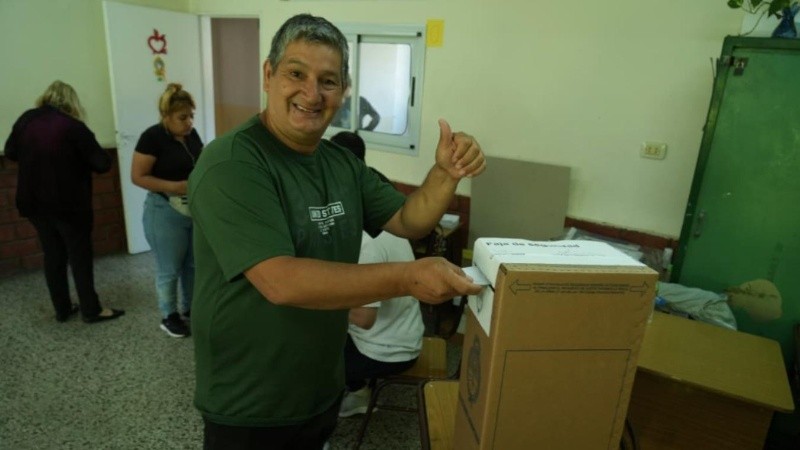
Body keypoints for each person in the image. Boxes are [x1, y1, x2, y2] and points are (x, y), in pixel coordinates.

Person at [188, 14, 486, 450]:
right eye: (296, 74)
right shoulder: (232, 164)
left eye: (328, 81)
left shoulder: (339, 163)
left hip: (320, 386)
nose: (312, 94)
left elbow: (409, 220)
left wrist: (445, 173)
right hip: (250, 399)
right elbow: (280, 280)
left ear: (343, 92)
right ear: (269, 75)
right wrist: (407, 278)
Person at [4, 80, 124, 324]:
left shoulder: (26, 120)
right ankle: (91, 310)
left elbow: (10, 152)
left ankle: (62, 309)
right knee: (79, 255)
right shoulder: (73, 127)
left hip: (34, 203)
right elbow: (103, 163)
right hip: (69, 205)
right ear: (72, 102)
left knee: (53, 254)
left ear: (44, 98)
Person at [330, 131, 425, 418]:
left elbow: (363, 318)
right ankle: (357, 388)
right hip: (407, 336)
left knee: (306, 352)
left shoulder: (365, 242)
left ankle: (333, 409)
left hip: (386, 352)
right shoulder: (389, 226)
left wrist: (319, 293)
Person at [131, 83, 202, 338]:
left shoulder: (191, 136)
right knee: (169, 268)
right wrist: (174, 186)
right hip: (163, 211)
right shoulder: (152, 137)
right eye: (183, 117)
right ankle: (168, 316)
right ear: (167, 116)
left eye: (192, 115)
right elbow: (138, 177)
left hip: (190, 211)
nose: (190, 122)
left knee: (192, 265)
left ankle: (191, 308)